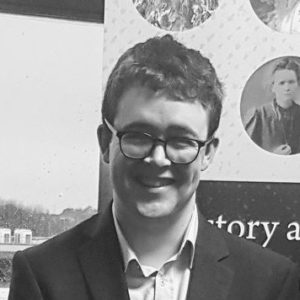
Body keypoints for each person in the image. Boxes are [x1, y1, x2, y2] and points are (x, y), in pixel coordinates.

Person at [9, 35, 300, 300]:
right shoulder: (42, 276)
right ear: (105, 142)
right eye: (137, 136)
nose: (158, 159)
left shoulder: (270, 283)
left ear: (208, 153)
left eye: (181, 140)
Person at [245, 57, 300, 155]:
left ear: (297, 84)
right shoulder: (259, 115)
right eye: (281, 83)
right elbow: (247, 152)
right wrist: (272, 155)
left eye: (291, 82)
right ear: (273, 87)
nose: (287, 88)